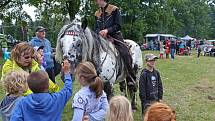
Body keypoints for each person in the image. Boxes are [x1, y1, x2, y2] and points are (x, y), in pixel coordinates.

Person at [94, 0, 136, 100]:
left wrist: (107, 30)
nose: (96, 1)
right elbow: (95, 27)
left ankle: (130, 77)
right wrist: (98, 32)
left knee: (125, 52)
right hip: (101, 38)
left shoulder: (114, 9)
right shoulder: (96, 13)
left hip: (115, 36)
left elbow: (118, 25)